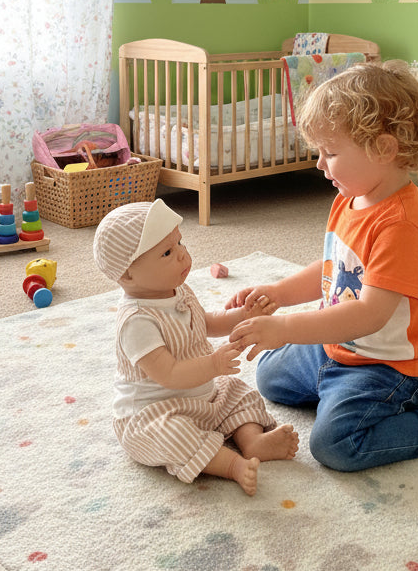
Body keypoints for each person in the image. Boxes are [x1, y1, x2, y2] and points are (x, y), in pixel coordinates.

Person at [228, 61, 418, 472]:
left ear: (383, 149)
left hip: (390, 367)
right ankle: (335, 389)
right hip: (338, 348)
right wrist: (279, 294)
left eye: (330, 153)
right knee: (268, 376)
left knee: (335, 445)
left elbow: (368, 315)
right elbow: (333, 267)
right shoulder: (350, 198)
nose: (319, 164)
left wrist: (285, 328)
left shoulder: (402, 226)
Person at [94, 198, 299, 495]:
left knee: (239, 391)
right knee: (175, 435)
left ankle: (252, 442)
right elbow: (169, 374)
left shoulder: (178, 290)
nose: (182, 256)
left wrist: (244, 316)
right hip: (153, 414)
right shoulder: (136, 320)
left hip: (202, 398)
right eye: (167, 252)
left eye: (180, 243)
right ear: (127, 274)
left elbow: (208, 322)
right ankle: (232, 466)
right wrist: (213, 365)